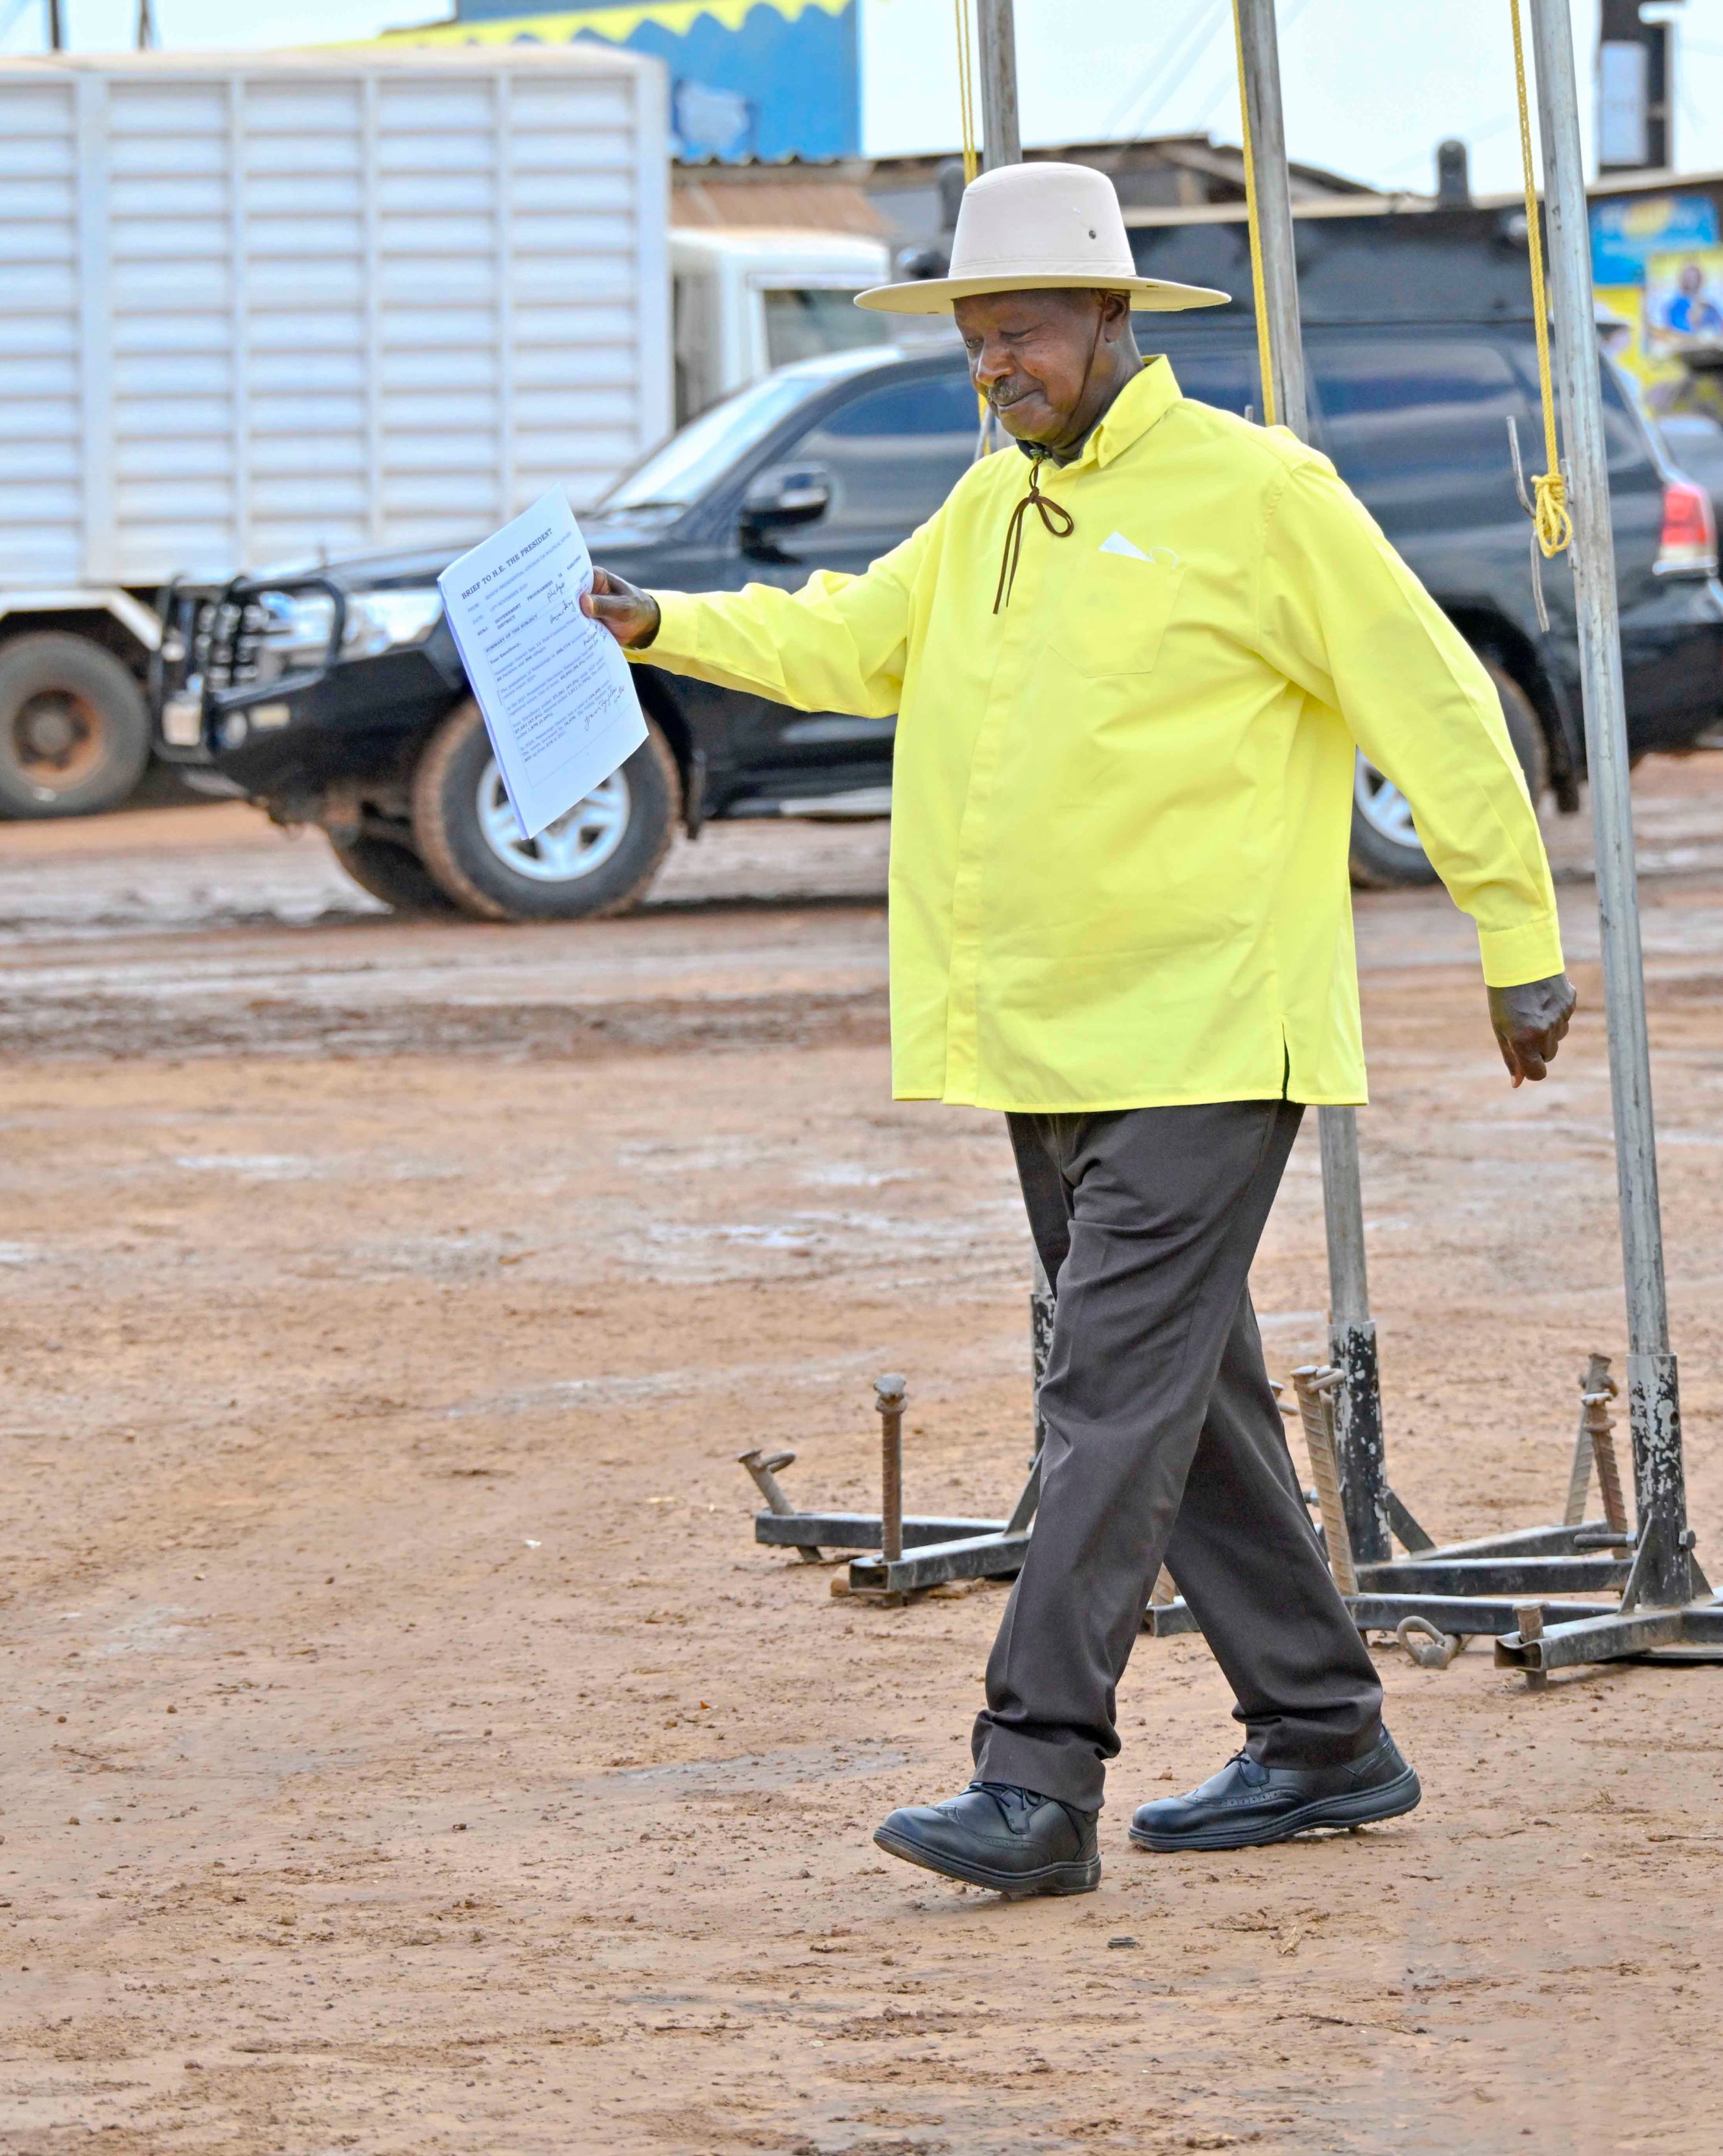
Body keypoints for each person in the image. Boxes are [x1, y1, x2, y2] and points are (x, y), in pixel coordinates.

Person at [580, 161, 1578, 1895]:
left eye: (1025, 332)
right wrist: (661, 623)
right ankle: (1324, 1732)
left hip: (1208, 1026)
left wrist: (1518, 938)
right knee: (1185, 1399)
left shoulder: (1259, 491)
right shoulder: (991, 507)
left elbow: (1433, 700)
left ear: (1112, 318)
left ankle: (1035, 1777)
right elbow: (852, 642)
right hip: (1043, 1034)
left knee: (1105, 1392)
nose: (997, 365)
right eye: (976, 337)